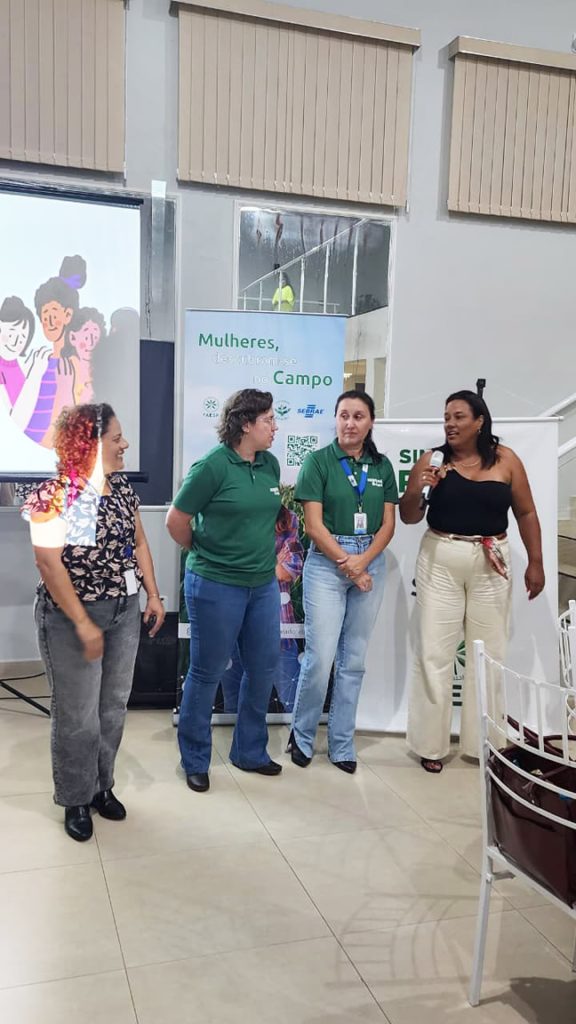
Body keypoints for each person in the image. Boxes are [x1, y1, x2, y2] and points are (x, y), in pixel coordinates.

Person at [22, 403, 165, 841]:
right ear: (89, 444)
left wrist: (152, 593)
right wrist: (82, 622)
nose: (125, 444)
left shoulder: (120, 487)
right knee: (77, 715)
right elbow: (49, 564)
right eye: (116, 438)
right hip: (71, 618)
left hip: (123, 610)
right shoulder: (54, 494)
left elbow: (139, 541)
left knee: (112, 708)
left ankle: (102, 786)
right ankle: (75, 798)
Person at [399, 389, 545, 773]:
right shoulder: (431, 460)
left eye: (459, 416)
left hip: (491, 560)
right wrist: (419, 488)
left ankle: (485, 745)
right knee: (434, 653)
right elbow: (409, 516)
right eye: (446, 417)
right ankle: (430, 745)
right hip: (440, 558)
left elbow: (526, 513)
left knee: (489, 654)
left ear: (479, 421)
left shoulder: (506, 460)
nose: (450, 423)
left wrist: (536, 562)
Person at [166, 388, 283, 793]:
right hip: (215, 584)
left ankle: (249, 752)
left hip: (262, 585)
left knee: (263, 668)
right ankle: (195, 759)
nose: (275, 426)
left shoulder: (269, 464)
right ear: (246, 424)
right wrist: (205, 552)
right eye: (269, 419)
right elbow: (175, 520)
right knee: (207, 671)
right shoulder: (212, 466)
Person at [288, 390, 398, 773]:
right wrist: (350, 566)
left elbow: (388, 525)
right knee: (320, 659)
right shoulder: (318, 462)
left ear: (371, 423)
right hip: (327, 562)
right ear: (335, 419)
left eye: (358, 416)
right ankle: (301, 736)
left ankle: (341, 743)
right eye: (343, 415)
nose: (349, 423)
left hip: (370, 560)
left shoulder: (382, 466)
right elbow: (313, 527)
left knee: (353, 660)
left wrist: (363, 562)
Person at [27, 255, 86, 446]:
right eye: (45, 315)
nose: (50, 322)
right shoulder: (39, 360)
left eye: (55, 313)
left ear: (68, 315)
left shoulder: (74, 364)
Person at [65, 307, 106, 404]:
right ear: (72, 337)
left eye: (95, 337)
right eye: (86, 337)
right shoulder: (66, 368)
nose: (91, 343)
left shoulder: (105, 370)